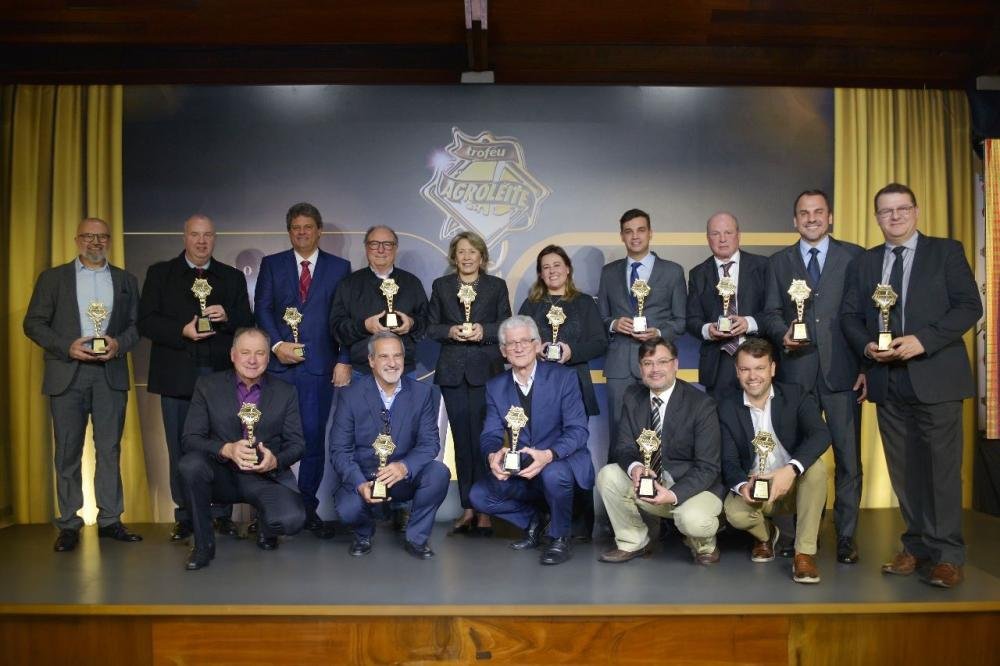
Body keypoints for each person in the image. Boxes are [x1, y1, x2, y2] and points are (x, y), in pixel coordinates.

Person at [841, 182, 982, 589]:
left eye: (902, 209)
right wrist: (866, 346)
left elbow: (969, 306)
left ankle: (947, 554)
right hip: (888, 382)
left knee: (940, 471)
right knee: (904, 472)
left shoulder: (946, 251)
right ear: (877, 217)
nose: (895, 216)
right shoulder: (865, 263)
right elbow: (850, 316)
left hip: (936, 377)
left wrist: (924, 340)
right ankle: (917, 545)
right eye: (886, 211)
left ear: (916, 212)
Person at [23, 217, 143, 552]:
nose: (95, 242)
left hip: (109, 374)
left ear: (109, 241)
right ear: (77, 240)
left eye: (102, 236)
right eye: (89, 236)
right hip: (67, 373)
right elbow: (32, 323)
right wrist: (66, 345)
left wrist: (119, 344)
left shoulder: (125, 280)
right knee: (67, 452)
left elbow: (137, 325)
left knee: (110, 450)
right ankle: (69, 524)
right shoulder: (53, 278)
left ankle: (109, 520)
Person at [763, 190, 865, 564]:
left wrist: (867, 367)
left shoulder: (854, 256)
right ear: (794, 220)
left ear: (830, 217)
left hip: (843, 374)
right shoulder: (779, 262)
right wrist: (781, 333)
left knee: (848, 459)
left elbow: (867, 316)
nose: (811, 218)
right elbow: (771, 311)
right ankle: (800, 533)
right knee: (796, 456)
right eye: (803, 213)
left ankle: (846, 536)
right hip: (796, 375)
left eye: (818, 212)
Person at [138, 214, 253, 541]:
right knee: (179, 448)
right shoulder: (161, 274)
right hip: (176, 378)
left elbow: (248, 322)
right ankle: (187, 514)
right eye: (195, 235)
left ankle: (220, 513)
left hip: (221, 381)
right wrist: (181, 330)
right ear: (184, 237)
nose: (201, 241)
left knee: (223, 448)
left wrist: (228, 316)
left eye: (207, 236)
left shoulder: (230, 277)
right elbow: (146, 322)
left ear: (214, 238)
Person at [255, 202, 351, 538]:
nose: (302, 232)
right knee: (269, 438)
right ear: (289, 231)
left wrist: (344, 358)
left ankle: (307, 509)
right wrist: (279, 345)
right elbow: (263, 308)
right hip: (279, 369)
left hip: (318, 370)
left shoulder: (340, 268)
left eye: (308, 227)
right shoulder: (272, 264)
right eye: (295, 227)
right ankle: (270, 510)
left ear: (319, 230)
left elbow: (343, 318)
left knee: (312, 441)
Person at [179, 327, 307, 570]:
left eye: (259, 353)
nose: (252, 360)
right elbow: (190, 439)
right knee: (190, 465)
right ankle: (203, 545)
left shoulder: (285, 391)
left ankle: (265, 526)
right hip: (221, 474)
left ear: (268, 358)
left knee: (292, 521)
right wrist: (226, 449)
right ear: (232, 355)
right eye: (245, 352)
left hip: (263, 476)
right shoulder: (208, 386)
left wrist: (275, 460)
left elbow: (298, 444)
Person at [469, 315, 593, 565]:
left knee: (553, 474)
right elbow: (490, 433)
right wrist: (493, 454)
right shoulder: (495, 386)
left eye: (525, 341)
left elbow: (578, 430)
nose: (518, 347)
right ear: (504, 351)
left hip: (561, 462)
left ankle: (559, 538)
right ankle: (535, 522)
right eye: (511, 344)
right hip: (523, 466)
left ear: (538, 345)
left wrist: (548, 455)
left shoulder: (564, 378)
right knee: (479, 496)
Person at [597, 337, 724, 565]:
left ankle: (705, 544)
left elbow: (708, 468)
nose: (655, 369)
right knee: (609, 475)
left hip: (693, 487)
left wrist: (673, 494)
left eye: (662, 362)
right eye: (648, 363)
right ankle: (633, 541)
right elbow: (624, 447)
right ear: (640, 368)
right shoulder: (632, 397)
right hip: (652, 483)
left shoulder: (701, 404)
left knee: (693, 520)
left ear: (676, 365)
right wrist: (635, 469)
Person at [329, 332, 450, 559]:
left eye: (397, 356)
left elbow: (430, 443)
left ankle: (417, 539)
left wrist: (405, 466)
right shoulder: (351, 395)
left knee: (439, 473)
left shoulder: (422, 393)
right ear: (371, 361)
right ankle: (363, 534)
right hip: (365, 475)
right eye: (384, 357)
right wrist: (359, 484)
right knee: (348, 509)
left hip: (402, 477)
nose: (392, 363)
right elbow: (340, 451)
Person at [719, 338, 831, 584]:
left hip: (792, 485)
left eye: (759, 368)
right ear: (737, 372)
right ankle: (766, 536)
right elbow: (727, 460)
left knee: (816, 469)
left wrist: (791, 470)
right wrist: (742, 486)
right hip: (754, 488)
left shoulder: (795, 394)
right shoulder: (726, 406)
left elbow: (821, 434)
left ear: (772, 369)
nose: (752, 376)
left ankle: (804, 554)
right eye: (745, 369)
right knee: (734, 512)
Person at [517, 244, 607, 539]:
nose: (552, 271)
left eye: (557, 265)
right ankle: (545, 518)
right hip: (538, 387)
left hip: (575, 383)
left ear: (567, 268)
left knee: (575, 452)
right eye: (545, 267)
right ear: (540, 274)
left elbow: (599, 342)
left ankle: (581, 524)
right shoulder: (531, 305)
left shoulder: (583, 303)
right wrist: (534, 350)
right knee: (540, 451)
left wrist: (572, 351)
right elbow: (517, 339)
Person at [427, 231, 511, 536]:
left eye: (472, 252)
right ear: (454, 256)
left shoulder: (496, 287)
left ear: (482, 257)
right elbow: (430, 327)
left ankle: (486, 509)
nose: (466, 257)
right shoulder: (441, 286)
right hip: (452, 375)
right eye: (461, 251)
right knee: (461, 444)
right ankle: (468, 507)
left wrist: (482, 330)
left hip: (486, 372)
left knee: (485, 442)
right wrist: (451, 331)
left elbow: (505, 324)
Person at [597, 208, 686, 457]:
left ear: (650, 233)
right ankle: (616, 490)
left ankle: (661, 489)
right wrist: (615, 324)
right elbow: (600, 319)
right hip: (619, 366)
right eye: (628, 231)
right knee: (618, 432)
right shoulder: (609, 272)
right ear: (622, 237)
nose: (635, 236)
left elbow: (681, 321)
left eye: (640, 230)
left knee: (662, 430)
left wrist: (658, 331)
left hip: (658, 362)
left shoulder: (673, 271)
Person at [686, 212, 771, 397]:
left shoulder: (764, 266)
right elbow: (692, 320)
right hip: (718, 362)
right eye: (715, 234)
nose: (722, 239)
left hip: (757, 358)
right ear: (708, 238)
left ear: (738, 235)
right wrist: (708, 329)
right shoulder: (698, 274)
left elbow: (774, 312)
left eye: (728, 233)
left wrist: (749, 323)